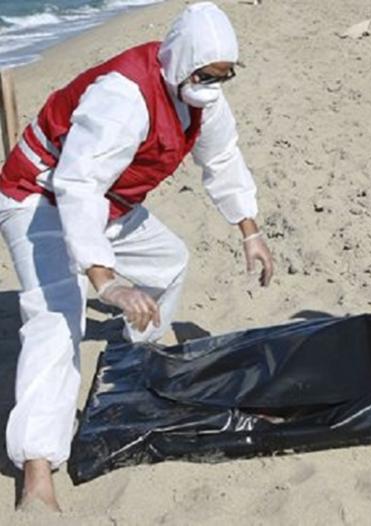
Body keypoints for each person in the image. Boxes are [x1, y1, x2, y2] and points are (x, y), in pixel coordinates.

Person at [0, 1, 274, 510]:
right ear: (182, 62)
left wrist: (249, 232)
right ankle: (36, 471)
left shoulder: (202, 97)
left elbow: (222, 157)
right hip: (40, 196)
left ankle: (131, 360)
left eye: (223, 76)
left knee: (169, 262)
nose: (212, 85)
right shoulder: (122, 97)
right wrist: (107, 281)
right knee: (58, 316)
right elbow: (78, 184)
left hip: (111, 204)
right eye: (205, 75)